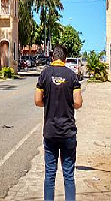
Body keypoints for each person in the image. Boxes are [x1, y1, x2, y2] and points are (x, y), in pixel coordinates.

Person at [34, 45, 83, 201]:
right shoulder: (72, 76)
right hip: (68, 132)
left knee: (50, 174)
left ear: (52, 57)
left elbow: (37, 100)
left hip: (50, 132)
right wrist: (67, 103)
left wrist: (47, 103)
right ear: (65, 59)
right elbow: (78, 103)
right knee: (68, 174)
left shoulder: (44, 74)